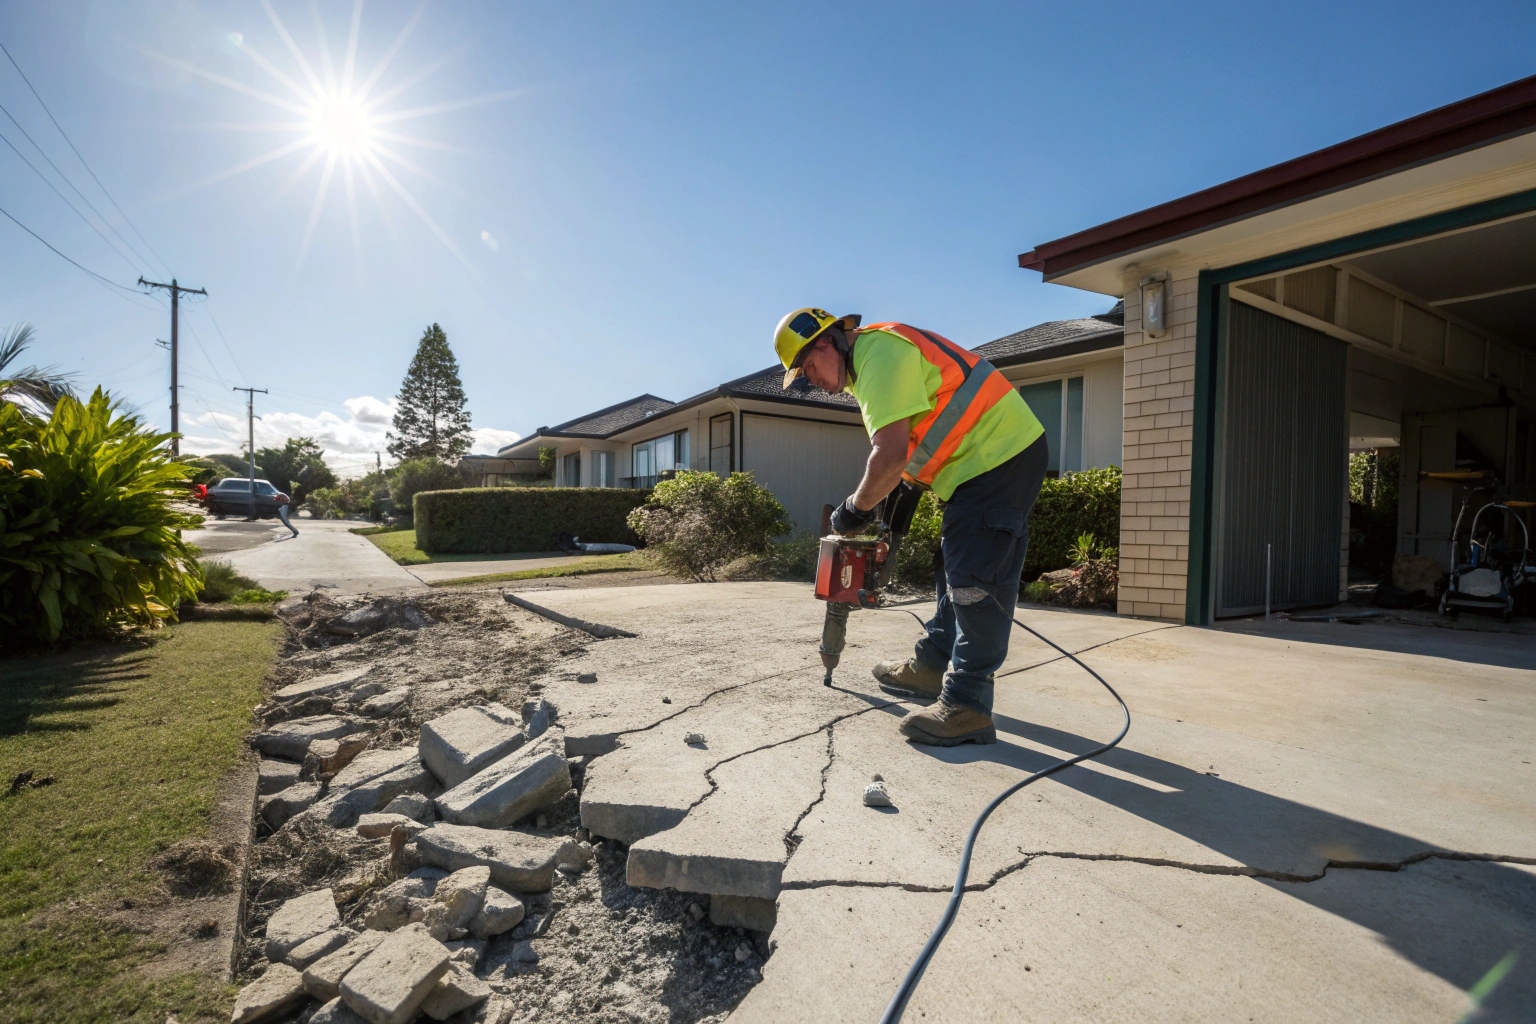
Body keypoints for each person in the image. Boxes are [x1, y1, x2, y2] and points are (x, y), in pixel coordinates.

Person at [775, 307, 1049, 746]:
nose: (814, 382)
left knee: (975, 582)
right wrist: (889, 525)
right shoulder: (869, 365)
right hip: (974, 468)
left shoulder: (877, 354)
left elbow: (889, 457)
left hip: (1000, 456)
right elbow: (915, 453)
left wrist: (853, 511)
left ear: (826, 343)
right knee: (953, 570)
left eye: (808, 368)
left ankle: (968, 705)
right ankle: (930, 667)